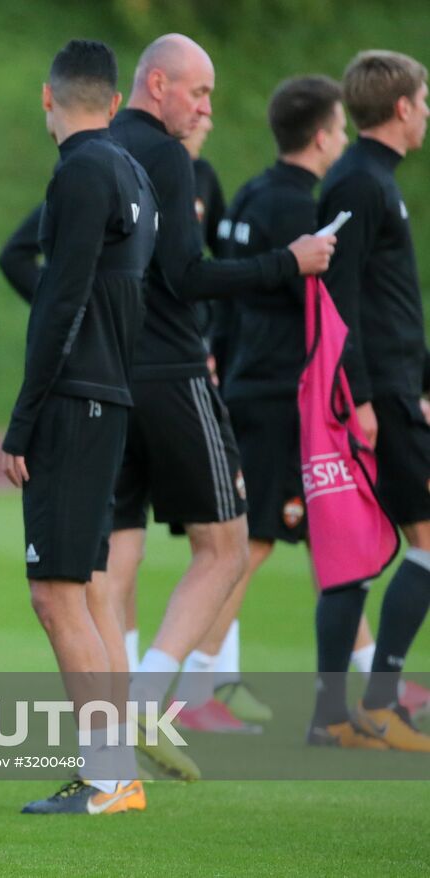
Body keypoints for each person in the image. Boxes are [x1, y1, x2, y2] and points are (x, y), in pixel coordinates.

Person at [106, 33, 336, 778]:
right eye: (200, 94)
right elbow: (186, 275)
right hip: (172, 369)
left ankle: (108, 736)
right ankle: (144, 702)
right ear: (160, 83)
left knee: (117, 556)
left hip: (105, 375)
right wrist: (287, 264)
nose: (206, 109)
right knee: (227, 546)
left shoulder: (97, 148)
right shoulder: (170, 158)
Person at [2, 39, 156, 816]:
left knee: (56, 595)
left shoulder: (80, 174)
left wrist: (22, 421)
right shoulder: (133, 171)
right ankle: (113, 769)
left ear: (47, 97)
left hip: (74, 402)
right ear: (117, 99)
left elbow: (59, 303)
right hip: (112, 396)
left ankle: (109, 775)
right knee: (85, 590)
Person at [173, 77, 353, 734]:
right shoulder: (303, 211)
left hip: (243, 378)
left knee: (314, 532)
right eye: (338, 129)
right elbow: (326, 308)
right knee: (252, 543)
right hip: (282, 392)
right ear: (322, 134)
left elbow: (221, 286)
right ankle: (195, 694)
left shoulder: (249, 191)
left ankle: (368, 673)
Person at [313, 50, 430, 751]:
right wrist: (359, 396)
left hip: (392, 389)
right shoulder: (358, 182)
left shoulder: (375, 180)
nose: (427, 115)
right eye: (424, 101)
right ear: (402, 107)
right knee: (416, 544)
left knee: (361, 554)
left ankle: (333, 713)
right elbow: (338, 296)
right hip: (375, 396)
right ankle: (378, 701)